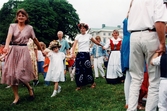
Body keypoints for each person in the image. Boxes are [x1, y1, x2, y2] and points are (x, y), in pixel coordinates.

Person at [127, 0, 167, 110]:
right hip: (150, 35)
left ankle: (131, 108)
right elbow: (159, 22)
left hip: (134, 35)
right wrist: (162, 43)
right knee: (154, 79)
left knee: (135, 78)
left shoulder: (135, 1)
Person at [1, 9, 42, 105]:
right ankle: (16, 97)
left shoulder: (30, 28)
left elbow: (35, 39)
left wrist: (41, 49)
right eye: (19, 15)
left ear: (26, 17)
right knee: (12, 75)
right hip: (13, 50)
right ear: (17, 17)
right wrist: (6, 46)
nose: (21, 17)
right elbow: (9, 36)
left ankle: (29, 88)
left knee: (20, 74)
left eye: (23, 15)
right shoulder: (12, 26)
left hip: (24, 51)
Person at [71, 23, 103, 91]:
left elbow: (95, 42)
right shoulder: (78, 36)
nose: (82, 29)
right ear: (80, 29)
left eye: (83, 28)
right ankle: (79, 85)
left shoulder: (89, 35)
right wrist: (72, 53)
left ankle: (92, 83)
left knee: (88, 69)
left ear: (86, 29)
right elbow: (74, 45)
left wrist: (101, 45)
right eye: (81, 28)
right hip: (79, 54)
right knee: (79, 70)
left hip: (86, 54)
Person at [151, 46, 167, 111]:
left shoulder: (163, 57)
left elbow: (152, 62)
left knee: (162, 105)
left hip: (164, 81)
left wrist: (157, 52)